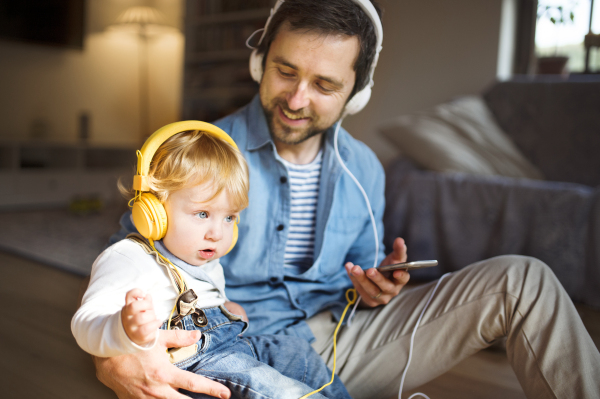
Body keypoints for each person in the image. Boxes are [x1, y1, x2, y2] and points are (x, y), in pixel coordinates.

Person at [91, 1, 600, 398]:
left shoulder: (364, 170)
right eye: (285, 71)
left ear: (357, 92)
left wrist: (375, 290)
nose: (296, 99)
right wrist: (115, 361)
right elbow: (127, 260)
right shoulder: (200, 151)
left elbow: (357, 282)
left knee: (525, 279)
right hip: (232, 351)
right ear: (259, 60)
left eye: (324, 85)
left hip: (337, 341)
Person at [72, 123, 351, 399]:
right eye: (202, 214)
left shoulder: (206, 263)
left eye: (229, 217)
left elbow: (207, 308)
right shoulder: (129, 258)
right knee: (277, 390)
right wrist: (122, 328)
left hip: (232, 348)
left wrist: (225, 308)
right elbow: (84, 323)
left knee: (298, 353)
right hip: (195, 363)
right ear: (155, 209)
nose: (217, 233)